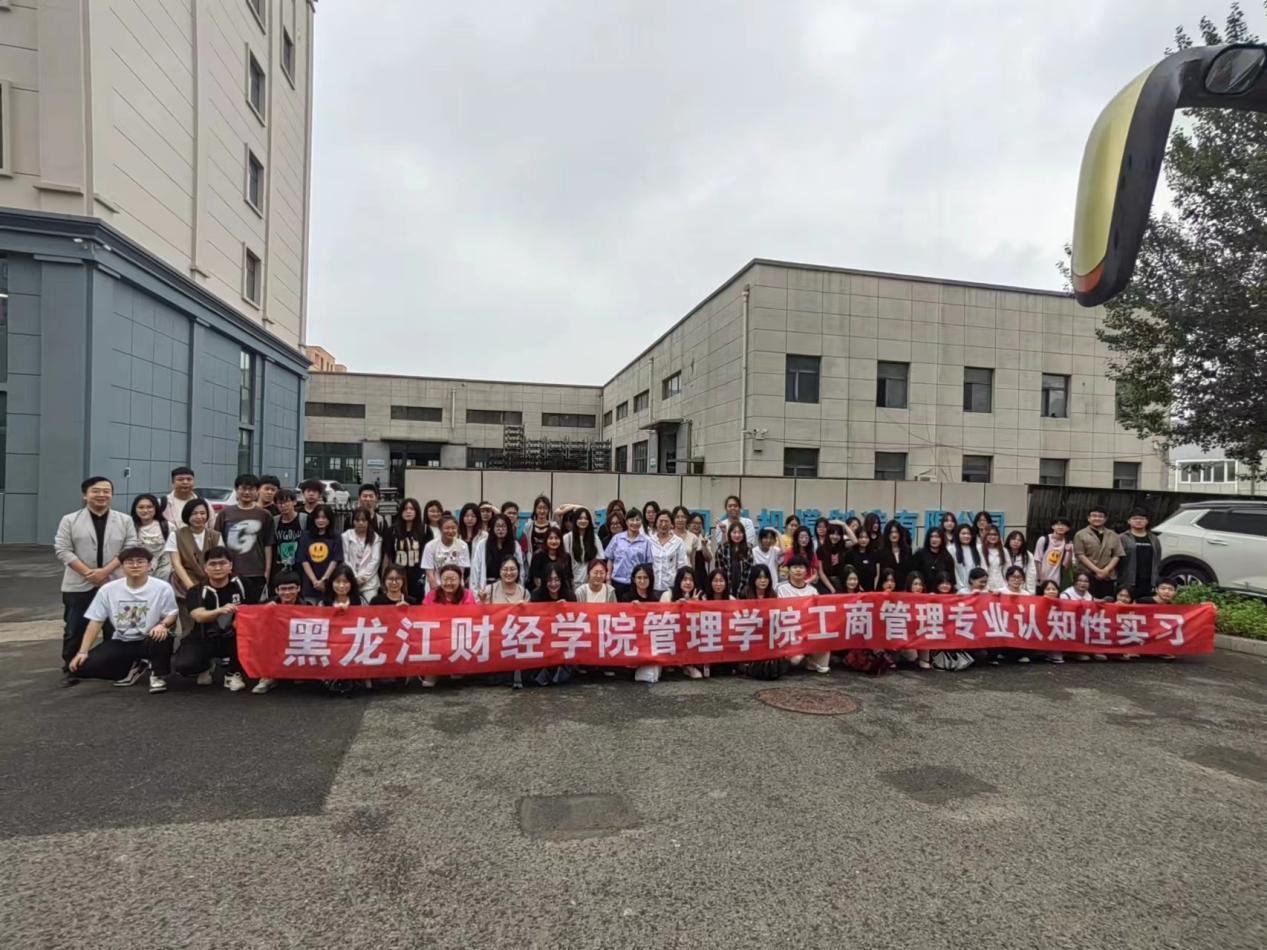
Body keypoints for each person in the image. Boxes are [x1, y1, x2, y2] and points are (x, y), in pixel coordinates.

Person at [54, 476, 138, 686]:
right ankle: (72, 669)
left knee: (116, 627)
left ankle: (114, 667)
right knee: (75, 628)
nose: (102, 495)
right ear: (85, 495)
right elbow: (63, 549)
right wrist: (89, 573)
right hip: (78, 583)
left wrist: (105, 572)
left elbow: (130, 547)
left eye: (106, 491)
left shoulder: (124, 520)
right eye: (96, 491)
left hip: (114, 581)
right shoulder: (70, 520)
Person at [67, 545, 178, 694]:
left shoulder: (162, 587)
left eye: (140, 562)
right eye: (129, 562)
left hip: (149, 639)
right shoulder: (108, 589)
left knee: (162, 637)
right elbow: (96, 621)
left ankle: (158, 675)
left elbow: (172, 613)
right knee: (82, 668)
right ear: (122, 567)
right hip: (122, 640)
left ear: (149, 566)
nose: (135, 565)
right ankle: (133, 667)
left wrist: (162, 625)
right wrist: (82, 652)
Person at [175, 545, 249, 691]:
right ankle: (205, 666)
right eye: (213, 564)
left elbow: (254, 609)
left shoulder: (242, 584)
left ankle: (233, 674)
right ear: (205, 568)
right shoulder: (196, 590)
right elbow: (198, 616)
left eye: (222, 563)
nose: (217, 568)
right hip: (204, 635)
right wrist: (219, 611)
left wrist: (239, 620)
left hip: (235, 635)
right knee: (183, 665)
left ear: (230, 565)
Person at [212, 473, 275, 604]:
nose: (247, 492)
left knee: (255, 610)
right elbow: (217, 545)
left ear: (257, 491)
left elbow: (268, 545)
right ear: (236, 490)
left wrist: (267, 572)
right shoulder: (224, 514)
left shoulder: (264, 515)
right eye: (243, 488)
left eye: (251, 489)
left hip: (256, 573)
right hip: (230, 572)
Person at [165, 497, 222, 634]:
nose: (199, 517)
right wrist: (191, 586)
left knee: (211, 620)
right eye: (194, 513)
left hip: (210, 583)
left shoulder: (215, 535)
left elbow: (220, 561)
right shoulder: (176, 535)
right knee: (188, 623)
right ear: (187, 515)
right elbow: (176, 563)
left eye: (202, 513)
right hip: (184, 584)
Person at [253, 570, 305, 694]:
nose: (287, 592)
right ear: (276, 590)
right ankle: (268, 677)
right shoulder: (266, 604)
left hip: (296, 643)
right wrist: (264, 612)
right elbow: (250, 624)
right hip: (274, 643)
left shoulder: (307, 607)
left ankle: (299, 671)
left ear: (298, 588)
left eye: (291, 588)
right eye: (283, 589)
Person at [779, 555, 827, 673]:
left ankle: (810, 658)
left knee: (824, 665)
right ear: (789, 570)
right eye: (794, 567)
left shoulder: (812, 590)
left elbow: (818, 614)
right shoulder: (780, 588)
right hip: (789, 632)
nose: (798, 570)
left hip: (808, 632)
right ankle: (804, 659)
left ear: (806, 571)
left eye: (801, 567)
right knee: (796, 660)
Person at [662, 567, 706, 679]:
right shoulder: (668, 594)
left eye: (691, 580)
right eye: (685, 579)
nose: (688, 582)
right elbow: (660, 617)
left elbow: (705, 620)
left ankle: (688, 664)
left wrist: (695, 606)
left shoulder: (700, 596)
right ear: (679, 581)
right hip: (672, 635)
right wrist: (675, 607)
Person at [1073, 506, 1124, 600]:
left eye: (1100, 516)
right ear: (1088, 518)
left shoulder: (1113, 535)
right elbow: (1080, 554)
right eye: (1094, 516)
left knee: (1107, 602)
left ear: (1105, 519)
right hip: (1087, 576)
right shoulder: (1080, 534)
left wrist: (1106, 570)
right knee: (1087, 602)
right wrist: (1097, 571)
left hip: (1107, 576)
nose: (1097, 518)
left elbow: (1117, 555)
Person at [623, 563, 661, 684]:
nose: (642, 581)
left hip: (648, 639)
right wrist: (630, 608)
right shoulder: (626, 597)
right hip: (632, 638)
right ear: (634, 579)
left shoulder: (655, 599)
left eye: (645, 577)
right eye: (639, 577)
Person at [296, 504, 342, 603]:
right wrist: (314, 581)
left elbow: (335, 559)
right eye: (318, 518)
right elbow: (303, 560)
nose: (320, 521)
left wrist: (324, 580)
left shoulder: (336, 536)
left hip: (329, 584)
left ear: (329, 519)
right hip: (310, 584)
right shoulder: (305, 536)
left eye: (324, 518)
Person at [385, 498, 428, 599]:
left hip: (418, 575)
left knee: (417, 603)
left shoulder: (425, 530)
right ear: (400, 511)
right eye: (405, 509)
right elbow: (387, 555)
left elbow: (429, 556)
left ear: (417, 511)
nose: (408, 511)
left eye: (412, 509)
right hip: (397, 575)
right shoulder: (392, 530)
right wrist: (385, 576)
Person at [606, 509, 654, 598]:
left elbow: (648, 564)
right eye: (632, 520)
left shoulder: (646, 541)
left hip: (637, 584)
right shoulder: (617, 538)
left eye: (638, 520)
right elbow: (610, 559)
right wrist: (608, 577)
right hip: (617, 582)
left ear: (641, 522)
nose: (635, 523)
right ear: (626, 522)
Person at [1118, 508, 1162, 602]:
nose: (1138, 521)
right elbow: (1117, 558)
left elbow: (1158, 558)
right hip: (1128, 579)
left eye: (1142, 518)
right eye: (1135, 518)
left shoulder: (1154, 538)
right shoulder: (1122, 538)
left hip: (1149, 580)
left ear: (1147, 521)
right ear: (1129, 521)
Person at [342, 506, 383, 602]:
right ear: (353, 522)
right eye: (357, 520)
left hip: (369, 583)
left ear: (368, 521)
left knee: (369, 607)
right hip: (350, 581)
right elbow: (345, 558)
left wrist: (363, 577)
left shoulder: (376, 538)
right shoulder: (346, 536)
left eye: (364, 520)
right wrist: (355, 577)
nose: (361, 523)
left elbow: (375, 560)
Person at [474, 513, 523, 592]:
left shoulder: (515, 545)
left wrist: (520, 589)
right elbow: (476, 569)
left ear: (508, 528)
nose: (500, 529)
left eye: (503, 526)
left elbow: (521, 569)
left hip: (509, 587)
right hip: (487, 588)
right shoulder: (482, 544)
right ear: (492, 528)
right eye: (497, 526)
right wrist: (476, 591)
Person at [421, 515, 471, 592]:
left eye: (453, 528)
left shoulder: (463, 545)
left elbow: (461, 571)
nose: (450, 531)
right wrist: (436, 590)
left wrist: (455, 587)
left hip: (456, 586)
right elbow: (429, 572)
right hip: (436, 586)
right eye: (447, 528)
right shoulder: (430, 546)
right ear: (440, 529)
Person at [562, 507, 605, 590]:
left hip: (590, 582)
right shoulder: (567, 538)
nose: (583, 521)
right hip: (572, 581)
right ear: (575, 520)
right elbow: (565, 560)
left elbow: (600, 559)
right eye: (580, 518)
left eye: (586, 519)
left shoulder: (594, 538)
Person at [130, 493, 171, 578]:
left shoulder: (167, 527)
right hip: (138, 573)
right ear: (135, 509)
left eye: (149, 507)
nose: (145, 510)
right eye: (141, 507)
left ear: (156, 508)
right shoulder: (130, 527)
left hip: (164, 573)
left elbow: (173, 553)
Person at [648, 510, 689, 592]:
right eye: (661, 521)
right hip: (652, 586)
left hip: (671, 587)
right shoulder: (650, 541)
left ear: (671, 524)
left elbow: (682, 566)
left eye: (666, 521)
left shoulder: (678, 542)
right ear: (656, 523)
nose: (663, 524)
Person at [527, 526, 574, 592]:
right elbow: (535, 578)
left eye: (556, 538)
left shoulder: (566, 557)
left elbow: (569, 578)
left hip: (562, 592)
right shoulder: (538, 556)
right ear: (546, 540)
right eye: (551, 538)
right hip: (542, 592)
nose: (553, 541)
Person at [272, 489, 304, 581]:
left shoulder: (303, 519)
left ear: (294, 502)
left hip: (300, 565)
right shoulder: (275, 521)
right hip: (281, 566)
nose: (283, 506)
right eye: (280, 503)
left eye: (287, 502)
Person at [1033, 516, 1075, 587]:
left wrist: (1070, 552)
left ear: (1068, 529)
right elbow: (1037, 560)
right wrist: (1040, 576)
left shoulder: (1067, 544)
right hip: (1041, 580)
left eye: (1064, 525)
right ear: (1053, 526)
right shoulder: (1043, 540)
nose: (1061, 527)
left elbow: (1066, 566)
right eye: (1058, 524)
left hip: (1057, 582)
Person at [716, 521, 753, 599]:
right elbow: (719, 570)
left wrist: (743, 590)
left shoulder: (748, 550)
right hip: (725, 590)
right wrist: (726, 591)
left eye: (740, 533)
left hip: (743, 592)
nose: (737, 535)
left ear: (744, 535)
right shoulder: (722, 549)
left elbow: (749, 572)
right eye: (734, 532)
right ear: (729, 533)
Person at [877, 520, 913, 590]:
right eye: (891, 532)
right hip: (888, 589)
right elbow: (880, 574)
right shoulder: (881, 552)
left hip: (904, 589)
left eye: (896, 532)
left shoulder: (907, 550)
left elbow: (909, 571)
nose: (894, 535)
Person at [160, 466, 199, 531]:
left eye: (189, 479)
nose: (185, 482)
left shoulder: (203, 503)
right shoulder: (162, 503)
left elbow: (211, 528)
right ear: (173, 483)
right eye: (180, 479)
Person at [817, 522, 849, 593]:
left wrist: (843, 524)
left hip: (841, 583)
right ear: (828, 534)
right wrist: (832, 589)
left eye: (838, 534)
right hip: (826, 584)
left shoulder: (843, 547)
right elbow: (820, 572)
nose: (835, 537)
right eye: (832, 534)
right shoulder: (821, 549)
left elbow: (855, 541)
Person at [1039, 579, 1066, 664]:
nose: (1051, 591)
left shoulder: (1064, 603)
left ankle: (1055, 652)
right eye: (1048, 589)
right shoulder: (1037, 603)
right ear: (1043, 591)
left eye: (1054, 589)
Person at [848, 524, 881, 592]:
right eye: (861, 537)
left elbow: (877, 574)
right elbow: (849, 574)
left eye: (866, 537)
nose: (864, 540)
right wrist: (859, 588)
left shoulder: (875, 553)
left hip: (872, 591)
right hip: (856, 591)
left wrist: (874, 589)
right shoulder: (850, 554)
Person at [951, 524, 981, 593]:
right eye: (963, 533)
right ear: (958, 535)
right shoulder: (951, 549)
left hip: (976, 589)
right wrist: (960, 588)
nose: (966, 536)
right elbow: (953, 571)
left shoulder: (978, 548)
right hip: (959, 589)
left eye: (969, 534)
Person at [979, 525, 1008, 592]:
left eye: (995, 534)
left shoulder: (1004, 551)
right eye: (989, 534)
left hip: (1001, 586)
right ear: (985, 536)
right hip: (984, 586)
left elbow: (1007, 569)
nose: (993, 537)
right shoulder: (979, 549)